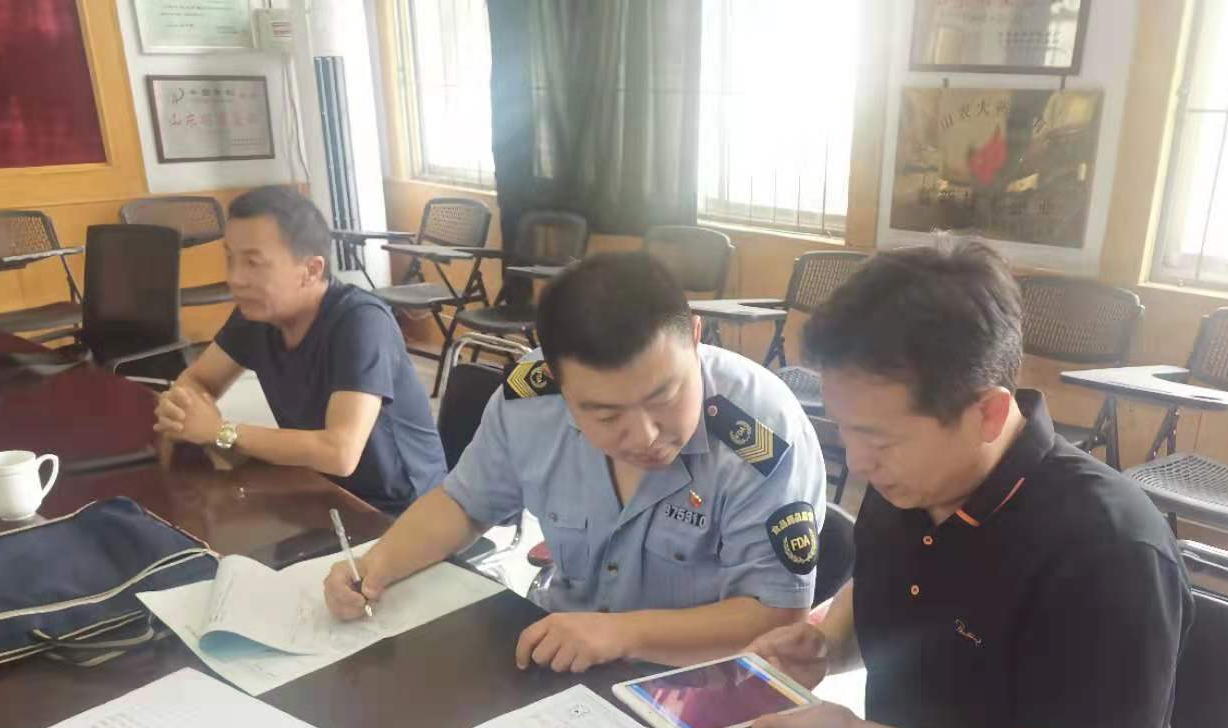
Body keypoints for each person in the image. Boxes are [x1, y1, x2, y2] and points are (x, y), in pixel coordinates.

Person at [747, 238, 1194, 728]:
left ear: (987, 412)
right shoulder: (912, 477)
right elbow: (897, 584)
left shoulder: (1106, 553)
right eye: (845, 429)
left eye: (877, 438)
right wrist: (825, 635)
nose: (856, 463)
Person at [324, 250, 827, 673]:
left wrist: (621, 634)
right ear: (557, 379)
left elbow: (777, 615)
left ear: (695, 338)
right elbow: (463, 504)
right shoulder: (530, 401)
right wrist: (374, 567)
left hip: (699, 678)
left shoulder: (761, 433)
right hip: (564, 657)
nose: (646, 436)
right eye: (606, 415)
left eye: (665, 397)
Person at [153, 185, 446, 514]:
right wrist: (181, 408)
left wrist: (220, 431)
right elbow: (199, 380)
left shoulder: (361, 322)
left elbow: (340, 452)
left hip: (400, 509)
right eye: (230, 259)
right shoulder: (257, 314)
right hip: (317, 487)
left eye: (253, 263)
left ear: (311, 271)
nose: (235, 278)